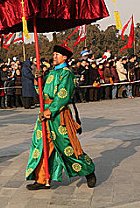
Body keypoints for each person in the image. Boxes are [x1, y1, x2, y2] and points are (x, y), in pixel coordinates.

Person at [26, 44, 96, 190]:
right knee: (41, 145)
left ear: (65, 57)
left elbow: (62, 96)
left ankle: (88, 170)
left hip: (58, 116)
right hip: (45, 115)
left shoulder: (67, 74)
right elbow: (42, 94)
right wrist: (38, 80)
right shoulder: (51, 73)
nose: (54, 56)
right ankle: (42, 179)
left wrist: (50, 111)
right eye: (54, 54)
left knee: (67, 147)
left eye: (57, 54)